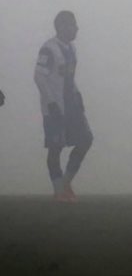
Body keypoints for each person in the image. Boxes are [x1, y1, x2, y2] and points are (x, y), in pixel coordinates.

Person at [34, 11, 93, 202]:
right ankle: (59, 190)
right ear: (61, 27)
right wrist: (51, 102)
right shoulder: (48, 49)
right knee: (55, 146)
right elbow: (39, 76)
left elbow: (69, 77)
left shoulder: (72, 49)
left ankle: (66, 182)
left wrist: (78, 95)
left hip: (71, 105)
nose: (76, 29)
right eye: (72, 25)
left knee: (85, 139)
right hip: (55, 107)